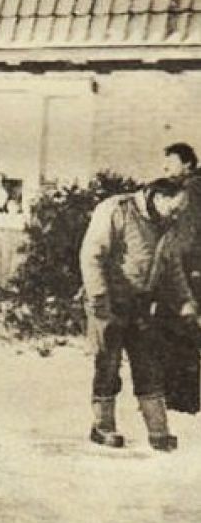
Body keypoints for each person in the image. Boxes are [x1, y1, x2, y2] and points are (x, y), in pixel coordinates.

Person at [80, 177, 198, 451]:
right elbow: (92, 255)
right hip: (108, 302)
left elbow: (172, 268)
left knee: (148, 364)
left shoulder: (167, 224)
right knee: (108, 364)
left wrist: (185, 302)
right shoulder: (117, 210)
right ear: (158, 197)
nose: (176, 215)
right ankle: (103, 427)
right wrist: (99, 300)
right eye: (174, 209)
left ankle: (159, 432)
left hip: (140, 304)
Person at [159, 142, 201, 413]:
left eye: (171, 162)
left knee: (180, 328)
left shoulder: (191, 190)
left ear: (187, 164)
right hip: (192, 267)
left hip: (187, 269)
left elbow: (186, 236)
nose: (165, 167)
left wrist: (174, 264)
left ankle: (181, 399)